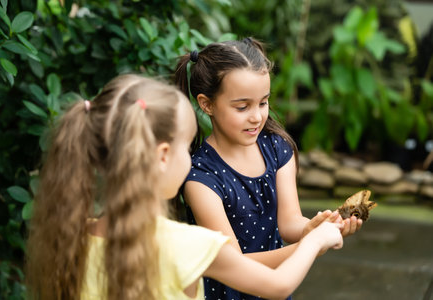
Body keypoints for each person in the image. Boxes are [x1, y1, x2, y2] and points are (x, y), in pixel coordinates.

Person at [24, 73, 343, 300]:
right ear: (163, 156)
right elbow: (277, 286)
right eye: (185, 147)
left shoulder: (73, 236)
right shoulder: (190, 245)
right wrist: (315, 241)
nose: (192, 159)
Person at [174, 37, 362, 299]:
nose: (257, 116)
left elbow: (289, 223)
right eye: (242, 107)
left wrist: (315, 228)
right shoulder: (201, 178)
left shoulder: (277, 148)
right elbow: (234, 265)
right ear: (207, 104)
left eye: (263, 103)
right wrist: (309, 246)